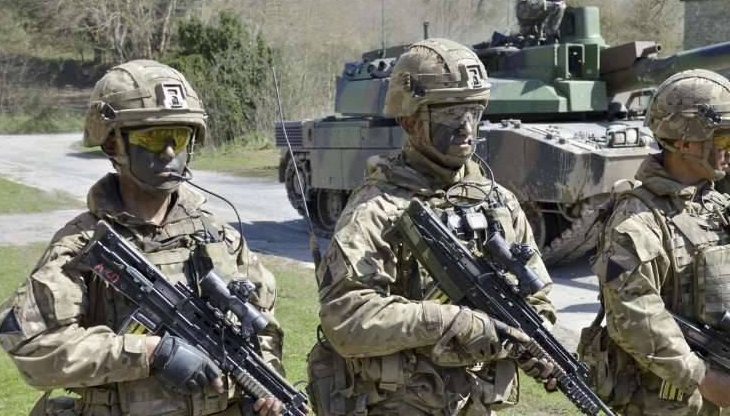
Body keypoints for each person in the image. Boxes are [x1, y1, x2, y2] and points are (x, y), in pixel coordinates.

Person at [0, 60, 285, 416]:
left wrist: (262, 398)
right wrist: (149, 352)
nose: (168, 153)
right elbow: (32, 346)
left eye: (178, 137)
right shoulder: (82, 244)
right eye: (152, 138)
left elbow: (263, 328)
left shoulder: (219, 237)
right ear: (112, 144)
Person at [305, 38, 557, 415]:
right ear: (410, 120)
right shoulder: (377, 208)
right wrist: (449, 321)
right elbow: (345, 317)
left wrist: (530, 343)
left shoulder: (499, 202)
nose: (466, 128)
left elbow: (538, 300)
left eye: (474, 112)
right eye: (449, 115)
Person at [585, 69, 730, 415]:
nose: (729, 149)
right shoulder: (636, 220)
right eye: (722, 140)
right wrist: (703, 378)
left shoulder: (711, 203)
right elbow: (632, 312)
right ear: (684, 142)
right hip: (666, 402)